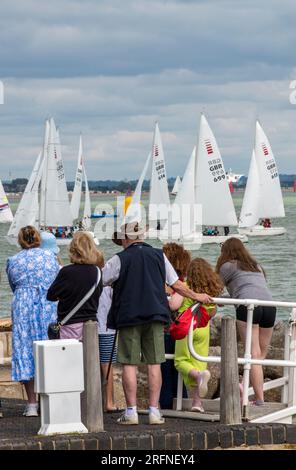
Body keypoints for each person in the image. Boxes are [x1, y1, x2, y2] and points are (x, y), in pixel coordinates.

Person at [103, 222, 211, 425]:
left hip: (129, 316)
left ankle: (131, 412)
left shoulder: (119, 258)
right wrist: (197, 295)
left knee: (129, 364)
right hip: (155, 314)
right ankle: (154, 411)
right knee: (155, 363)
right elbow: (177, 284)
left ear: (125, 239)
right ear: (142, 236)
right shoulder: (159, 256)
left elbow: (103, 280)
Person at [6, 226, 59, 417]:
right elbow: (56, 281)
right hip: (47, 305)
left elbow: (14, 285)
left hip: (22, 306)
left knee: (25, 350)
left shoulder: (13, 260)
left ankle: (31, 404)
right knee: (47, 349)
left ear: (20, 240)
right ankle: (49, 400)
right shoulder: (50, 258)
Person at [216, 237, 276, 405]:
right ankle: (246, 386)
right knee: (260, 356)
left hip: (249, 308)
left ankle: (259, 399)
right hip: (269, 306)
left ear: (226, 251)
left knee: (253, 354)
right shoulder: (256, 266)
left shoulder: (227, 266)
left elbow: (215, 288)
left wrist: (215, 300)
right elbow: (252, 288)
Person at [170, 258, 223, 412]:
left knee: (180, 362)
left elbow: (174, 304)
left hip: (187, 328)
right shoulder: (211, 291)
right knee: (199, 363)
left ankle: (198, 377)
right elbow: (212, 312)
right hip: (203, 328)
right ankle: (197, 403)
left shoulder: (186, 288)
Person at [47, 232, 103, 341]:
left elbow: (51, 295)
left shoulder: (67, 272)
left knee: (69, 356)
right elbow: (98, 293)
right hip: (91, 324)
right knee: (89, 357)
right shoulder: (97, 271)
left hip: (70, 325)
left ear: (73, 251)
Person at [160, 243, 191, 409]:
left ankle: (167, 405)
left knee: (166, 370)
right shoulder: (182, 284)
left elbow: (172, 305)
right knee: (176, 371)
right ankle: (180, 402)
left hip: (167, 331)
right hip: (179, 332)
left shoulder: (172, 285)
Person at [97, 255, 118, 412]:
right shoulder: (110, 286)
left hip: (90, 329)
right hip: (107, 329)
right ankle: (109, 401)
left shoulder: (90, 284)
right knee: (108, 365)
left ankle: (94, 401)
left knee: (89, 365)